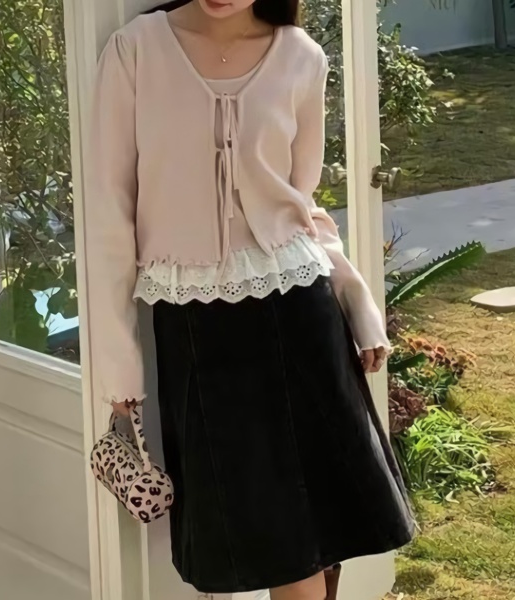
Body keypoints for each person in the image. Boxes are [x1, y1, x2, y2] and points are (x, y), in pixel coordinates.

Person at [86, 0, 416, 598]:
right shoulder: (135, 51)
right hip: (196, 327)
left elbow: (301, 206)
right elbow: (109, 215)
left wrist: (356, 297)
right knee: (247, 531)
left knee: (319, 528)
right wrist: (117, 360)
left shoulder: (301, 57)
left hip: (300, 312)